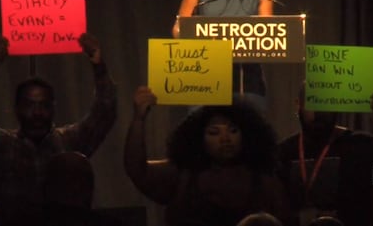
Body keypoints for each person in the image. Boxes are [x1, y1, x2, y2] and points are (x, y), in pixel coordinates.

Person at [0, 33, 117, 226]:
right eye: (29, 105)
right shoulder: (1, 146)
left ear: (53, 108)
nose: (37, 113)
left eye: (44, 106)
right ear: (17, 109)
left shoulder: (68, 142)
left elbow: (105, 113)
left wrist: (99, 66)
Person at [125, 86, 291, 226]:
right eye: (214, 132)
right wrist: (139, 119)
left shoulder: (264, 180)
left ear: (247, 135)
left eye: (233, 130)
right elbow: (138, 171)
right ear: (198, 138)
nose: (225, 139)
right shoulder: (183, 176)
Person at [278, 85, 373, 226]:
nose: (318, 110)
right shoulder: (284, 152)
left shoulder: (361, 144)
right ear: (298, 105)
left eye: (325, 102)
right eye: (312, 101)